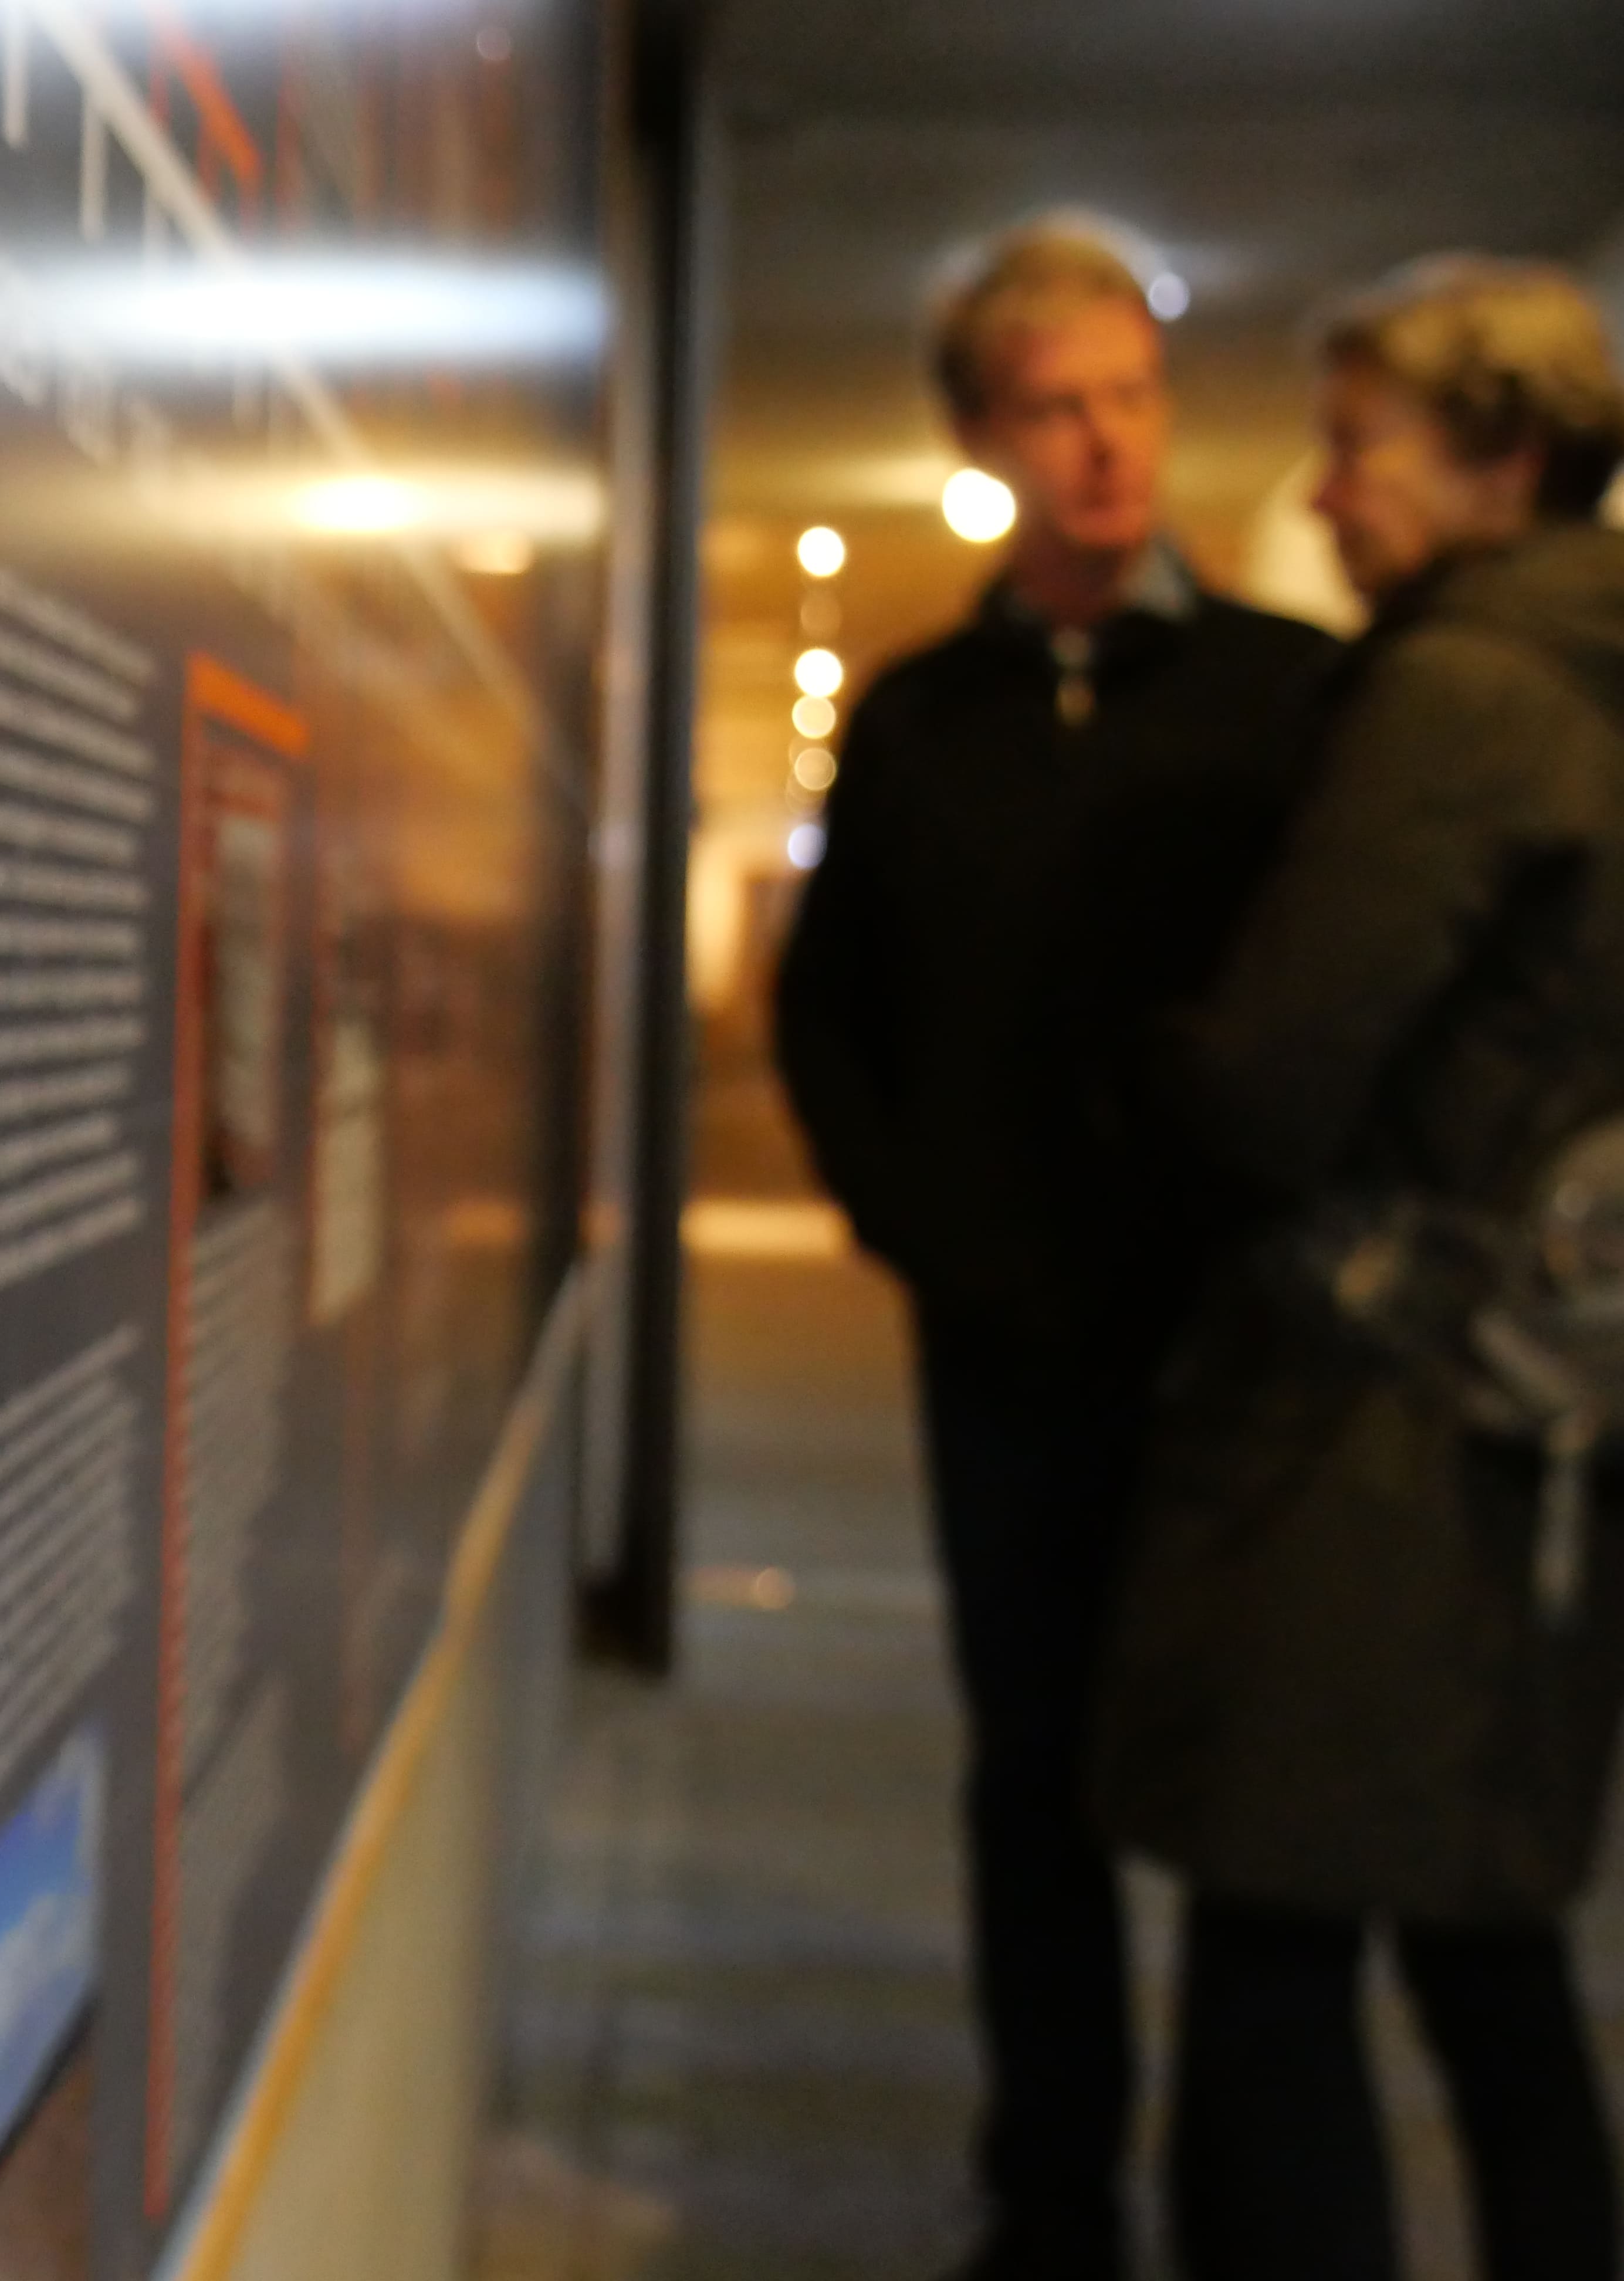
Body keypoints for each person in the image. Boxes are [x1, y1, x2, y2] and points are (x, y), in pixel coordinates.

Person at [774, 219, 1339, 2280]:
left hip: (1244, 1356)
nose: (1106, 442)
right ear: (984, 444)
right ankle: (1054, 2206)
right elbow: (830, 1013)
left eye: (1131, 395)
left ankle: (1262, 2215)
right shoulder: (927, 721)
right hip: (1008, 1354)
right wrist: (924, 1229)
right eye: (1054, 408)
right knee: (1036, 1785)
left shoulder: (1289, 696)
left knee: (1257, 1792)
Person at [1094, 257, 1624, 2281]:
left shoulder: (1465, 695)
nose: (1324, 494)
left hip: (1371, 1416)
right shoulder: (1589, 671)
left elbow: (1281, 1070)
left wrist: (1146, 1069)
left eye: (1359, 447)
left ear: (1502, 456)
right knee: (1487, 1947)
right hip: (1536, 1409)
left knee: (1277, 1934)